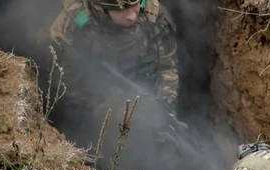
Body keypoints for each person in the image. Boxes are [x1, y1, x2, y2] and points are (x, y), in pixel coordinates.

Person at [49, 0, 180, 113]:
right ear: (97, 6)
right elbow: (63, 87)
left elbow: (167, 68)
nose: (132, 16)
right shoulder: (72, 27)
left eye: (135, 4)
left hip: (144, 95)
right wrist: (103, 109)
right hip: (93, 104)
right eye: (120, 9)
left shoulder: (153, 15)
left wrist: (164, 107)